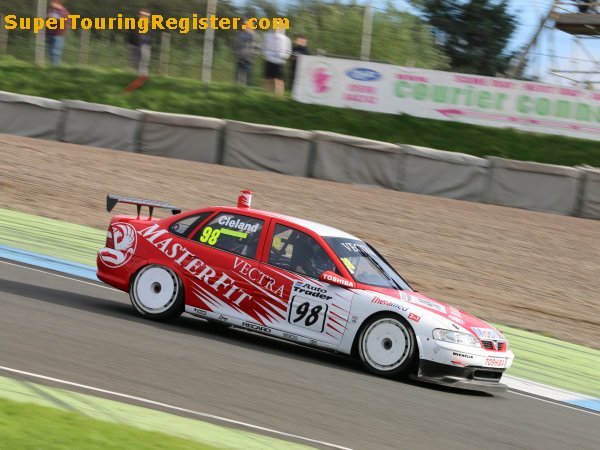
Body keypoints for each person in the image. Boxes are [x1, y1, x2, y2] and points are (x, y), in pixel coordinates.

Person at [262, 28, 291, 96]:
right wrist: (267, 55)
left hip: (280, 62)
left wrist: (283, 56)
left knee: (279, 80)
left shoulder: (286, 39)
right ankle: (267, 95)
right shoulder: (267, 36)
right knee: (269, 78)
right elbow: (263, 47)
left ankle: (279, 96)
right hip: (269, 60)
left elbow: (288, 51)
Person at [234, 19, 260, 86]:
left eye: (247, 25)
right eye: (245, 25)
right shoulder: (240, 34)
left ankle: (246, 90)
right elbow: (236, 44)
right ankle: (236, 88)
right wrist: (236, 53)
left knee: (248, 77)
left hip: (249, 59)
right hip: (240, 58)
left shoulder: (255, 36)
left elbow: (257, 48)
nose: (245, 26)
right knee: (237, 76)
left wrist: (252, 56)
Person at [127, 9, 152, 77]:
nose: (143, 16)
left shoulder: (150, 24)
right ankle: (140, 77)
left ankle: (143, 78)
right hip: (134, 45)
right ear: (138, 15)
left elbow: (149, 36)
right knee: (135, 63)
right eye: (141, 14)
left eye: (145, 15)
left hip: (145, 46)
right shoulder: (133, 22)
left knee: (144, 62)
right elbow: (130, 33)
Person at [46, 0, 70, 66]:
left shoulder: (63, 12)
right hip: (50, 35)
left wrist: (61, 33)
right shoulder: (51, 11)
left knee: (55, 53)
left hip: (58, 36)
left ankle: (56, 69)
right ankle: (53, 68)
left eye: (52, 1)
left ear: (57, 2)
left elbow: (66, 24)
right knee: (50, 53)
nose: (50, 3)